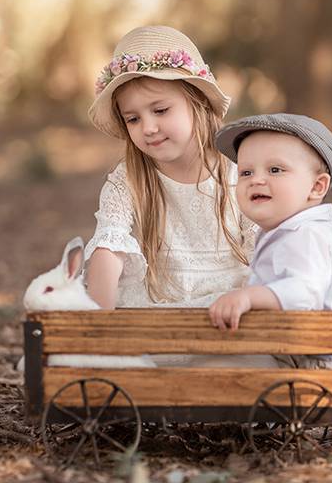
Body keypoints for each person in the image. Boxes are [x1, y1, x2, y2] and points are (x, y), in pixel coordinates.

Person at [84, 26, 270, 367]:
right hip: (158, 315)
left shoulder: (237, 173)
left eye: (160, 110)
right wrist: (99, 329)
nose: (148, 128)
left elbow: (266, 254)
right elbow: (108, 249)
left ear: (197, 102)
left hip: (224, 316)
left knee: (253, 359)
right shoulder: (128, 180)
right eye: (133, 119)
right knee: (129, 356)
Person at [208, 113, 332, 369]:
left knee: (210, 369)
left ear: (316, 187)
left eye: (275, 170)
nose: (256, 179)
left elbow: (305, 294)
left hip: (305, 360)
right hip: (289, 347)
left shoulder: (306, 235)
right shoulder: (291, 231)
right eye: (246, 172)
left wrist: (248, 297)